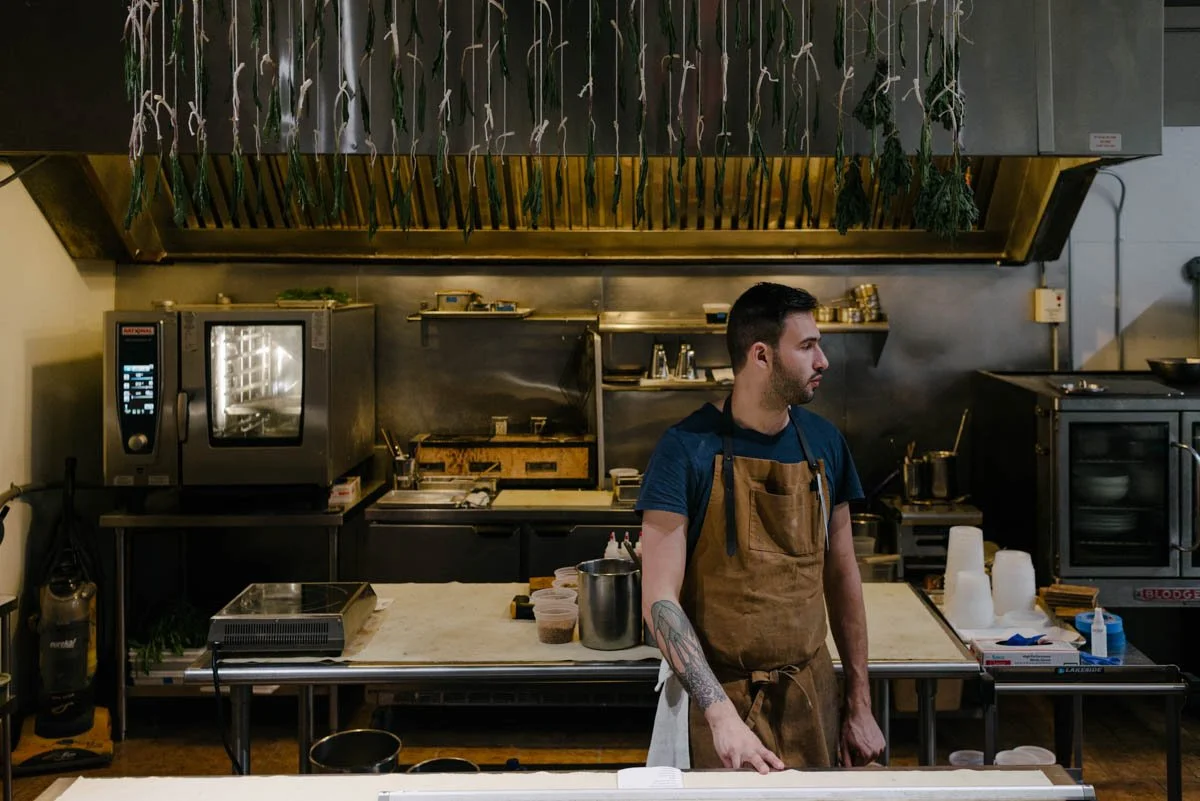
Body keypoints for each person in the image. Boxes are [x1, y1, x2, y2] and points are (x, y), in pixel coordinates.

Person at [637, 282, 886, 773]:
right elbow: (659, 599)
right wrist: (720, 714)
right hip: (717, 705)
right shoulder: (684, 448)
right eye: (808, 346)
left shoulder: (825, 443)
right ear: (761, 356)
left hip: (810, 697)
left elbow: (843, 577)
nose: (824, 361)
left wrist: (859, 701)